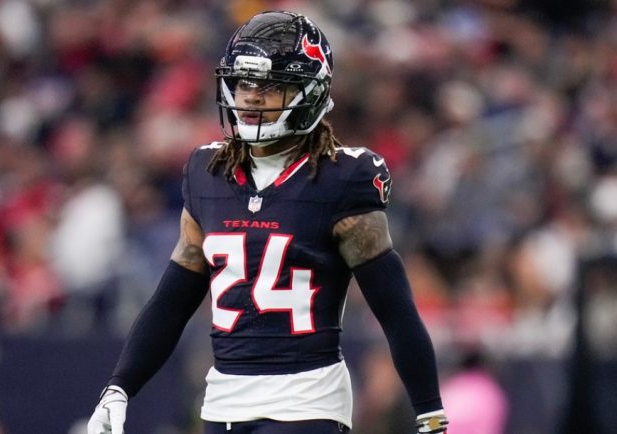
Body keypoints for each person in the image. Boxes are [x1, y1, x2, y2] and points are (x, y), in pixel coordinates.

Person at [87, 10, 448, 434]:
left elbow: (395, 308)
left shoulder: (341, 177)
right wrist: (119, 386)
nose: (252, 97)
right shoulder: (208, 171)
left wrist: (430, 411)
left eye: (271, 85)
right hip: (223, 402)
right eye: (244, 83)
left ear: (308, 92)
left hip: (307, 401)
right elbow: (174, 298)